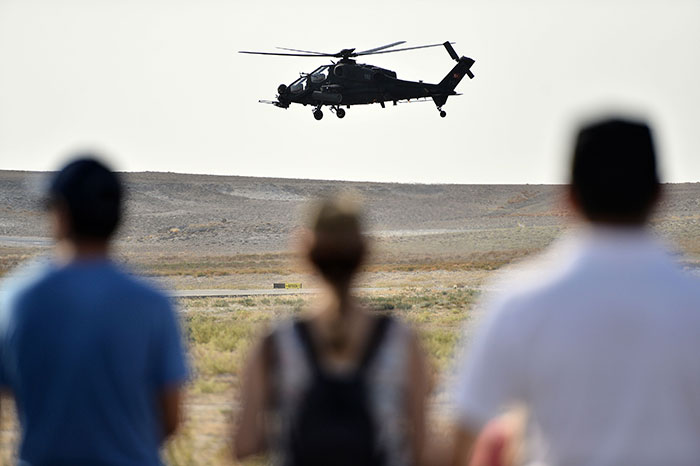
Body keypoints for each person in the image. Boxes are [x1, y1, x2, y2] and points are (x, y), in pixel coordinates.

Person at [450, 118, 700, 465]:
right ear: (660, 195)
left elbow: (461, 435)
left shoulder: (518, 300)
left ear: (569, 197)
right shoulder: (691, 301)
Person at [0, 157, 188, 465]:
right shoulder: (153, 304)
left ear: (60, 214)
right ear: (118, 216)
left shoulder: (15, 299)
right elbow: (171, 418)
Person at [233, 194, 431, 466]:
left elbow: (242, 444)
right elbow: (423, 450)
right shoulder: (400, 340)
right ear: (365, 251)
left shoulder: (276, 342)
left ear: (306, 252)